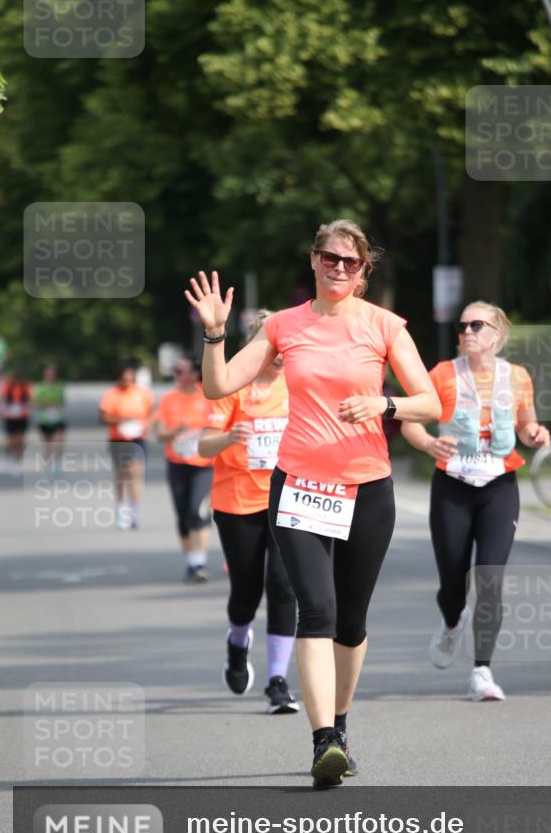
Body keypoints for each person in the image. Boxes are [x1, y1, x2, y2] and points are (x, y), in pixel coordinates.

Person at [186, 219, 441, 787]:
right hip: (300, 484)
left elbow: (429, 401)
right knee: (316, 611)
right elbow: (218, 385)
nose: (339, 269)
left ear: (364, 271)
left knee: (351, 621)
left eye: (351, 262)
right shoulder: (283, 326)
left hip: (367, 486)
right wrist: (214, 334)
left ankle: (341, 726)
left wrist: (385, 404)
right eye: (330, 258)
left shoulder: (384, 326)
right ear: (314, 261)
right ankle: (323, 740)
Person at [401, 301, 550, 701]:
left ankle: (482, 671)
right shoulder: (442, 375)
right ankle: (452, 622)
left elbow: (526, 422)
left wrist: (536, 433)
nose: (466, 332)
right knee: (453, 581)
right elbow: (409, 420)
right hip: (452, 485)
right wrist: (430, 443)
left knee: (491, 579)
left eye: (476, 325)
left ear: (497, 335)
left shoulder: (517, 377)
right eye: (461, 326)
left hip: (500, 487)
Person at [197, 310, 299, 714]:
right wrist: (228, 437)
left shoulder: (299, 385)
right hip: (238, 502)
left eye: (282, 346)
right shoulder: (233, 386)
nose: (277, 354)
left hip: (287, 499)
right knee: (246, 592)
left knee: (284, 585)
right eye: (269, 345)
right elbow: (202, 448)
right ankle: (237, 644)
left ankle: (278, 680)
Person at [154, 356, 214, 583]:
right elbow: (160, 434)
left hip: (203, 464)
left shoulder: (207, 396)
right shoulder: (169, 399)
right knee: (182, 515)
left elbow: (219, 424)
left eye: (181, 370)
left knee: (197, 509)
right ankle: (191, 561)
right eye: (175, 371)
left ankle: (200, 562)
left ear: (194, 373)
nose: (177, 375)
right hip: (177, 463)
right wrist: (176, 431)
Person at [99, 361, 154, 530]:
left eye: (130, 379)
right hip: (119, 439)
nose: (127, 382)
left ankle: (134, 512)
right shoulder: (112, 395)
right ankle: (121, 510)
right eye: (124, 379)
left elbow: (151, 413)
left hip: (137, 439)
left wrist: (146, 425)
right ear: (119, 379)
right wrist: (123, 419)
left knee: (134, 474)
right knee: (121, 476)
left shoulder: (142, 393)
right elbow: (103, 418)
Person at [0, 366, 32, 475]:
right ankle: (7, 458)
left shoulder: (25, 386)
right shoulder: (7, 386)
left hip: (22, 416)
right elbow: (2, 399)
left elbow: (30, 400)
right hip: (10, 416)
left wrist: (26, 409)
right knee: (10, 440)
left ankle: (17, 462)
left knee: (20, 440)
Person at [33, 364, 67, 464]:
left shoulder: (60, 386)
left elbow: (63, 401)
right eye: (48, 374)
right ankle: (47, 469)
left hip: (58, 419)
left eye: (52, 374)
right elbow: (34, 403)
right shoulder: (40, 387)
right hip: (44, 419)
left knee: (58, 443)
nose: (50, 376)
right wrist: (45, 404)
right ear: (45, 375)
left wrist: (57, 405)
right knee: (48, 446)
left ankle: (57, 465)